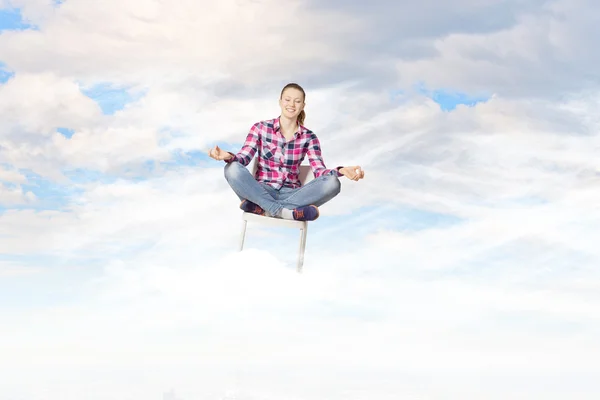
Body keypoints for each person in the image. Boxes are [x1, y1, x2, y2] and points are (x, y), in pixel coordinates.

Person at [208, 82, 365, 221]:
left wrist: (341, 170)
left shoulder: (309, 137)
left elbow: (319, 171)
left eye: (297, 101)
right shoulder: (260, 128)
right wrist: (227, 156)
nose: (292, 104)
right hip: (261, 190)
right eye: (288, 99)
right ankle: (285, 212)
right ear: (280, 102)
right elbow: (243, 158)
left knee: (333, 183)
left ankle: (264, 209)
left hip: (293, 194)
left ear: (303, 105)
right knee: (232, 168)